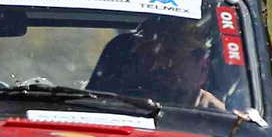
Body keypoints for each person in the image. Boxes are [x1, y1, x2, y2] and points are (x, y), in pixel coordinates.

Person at [87, 13, 225, 110]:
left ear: (203, 67)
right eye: (148, 56)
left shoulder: (222, 125)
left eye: (170, 55)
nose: (157, 65)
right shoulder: (96, 110)